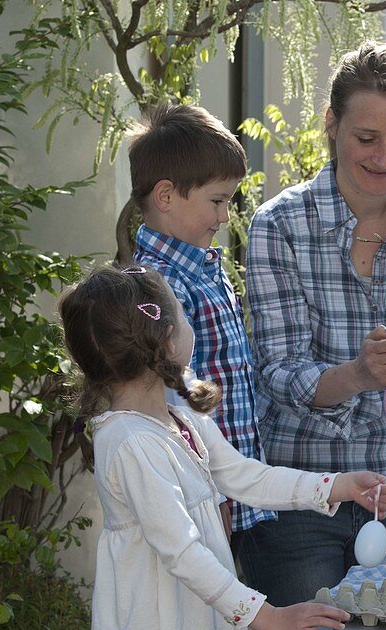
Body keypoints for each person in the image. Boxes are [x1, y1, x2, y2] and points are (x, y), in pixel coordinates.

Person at [59, 266, 386, 630]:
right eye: (181, 311)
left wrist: (337, 485)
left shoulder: (180, 421)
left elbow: (246, 478)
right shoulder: (131, 441)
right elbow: (180, 550)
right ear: (167, 340)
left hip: (199, 615)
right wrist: (269, 616)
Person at [244, 41, 386, 606]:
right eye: (366, 139)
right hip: (300, 501)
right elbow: (275, 372)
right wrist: (356, 374)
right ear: (331, 123)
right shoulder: (280, 226)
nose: (382, 157)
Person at [124, 104, 275, 550]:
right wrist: (207, 489)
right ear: (166, 196)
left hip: (237, 487)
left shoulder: (205, 267)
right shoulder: (158, 285)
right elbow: (168, 401)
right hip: (205, 495)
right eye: (217, 200)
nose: (226, 216)